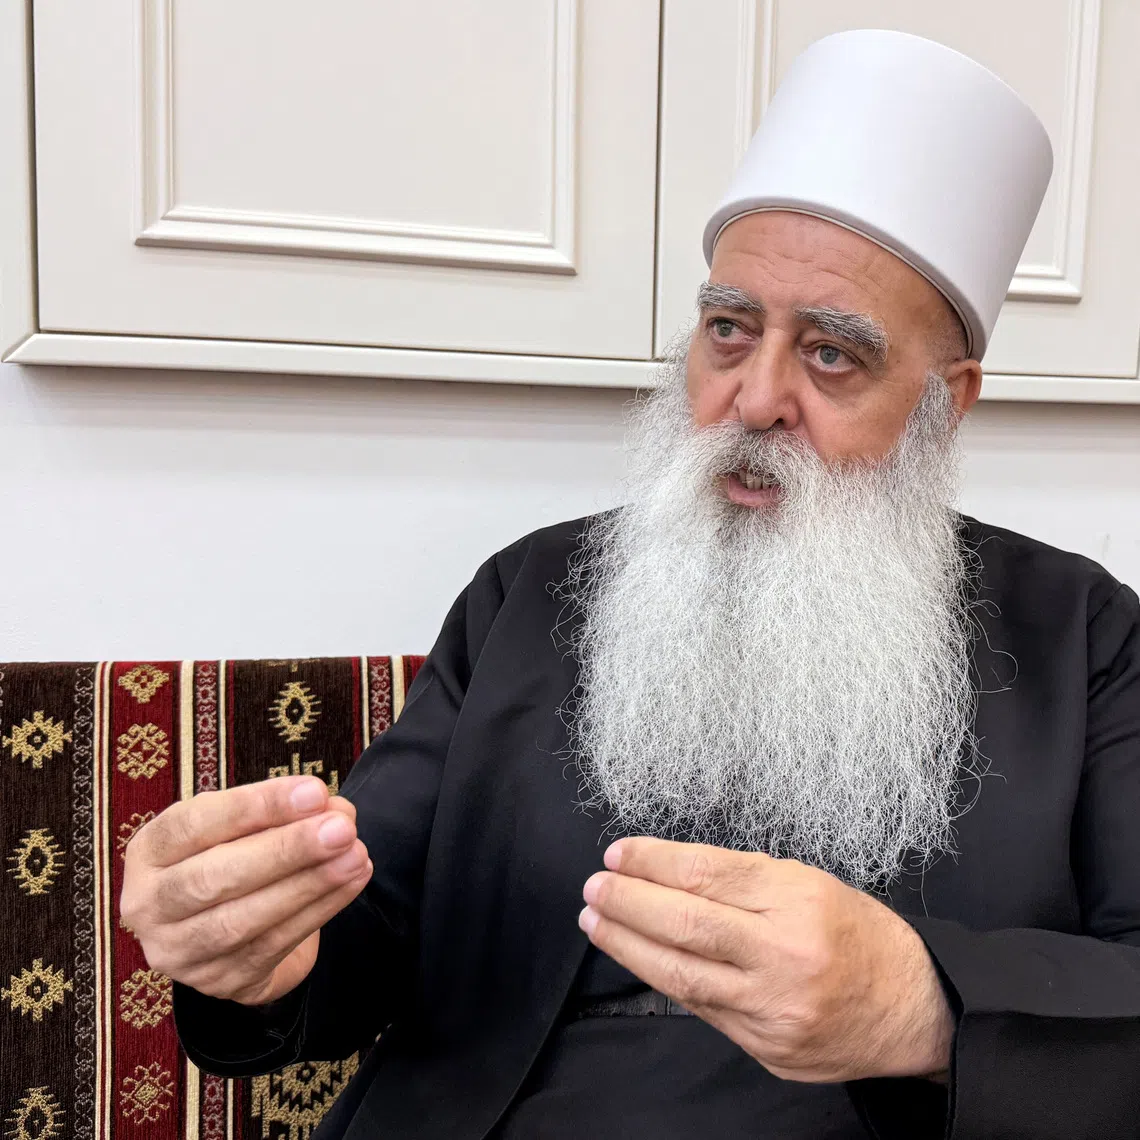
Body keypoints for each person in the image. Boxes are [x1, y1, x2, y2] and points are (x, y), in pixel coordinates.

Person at [120, 29, 1140, 1139]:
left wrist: (923, 1010)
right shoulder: (531, 590)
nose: (754, 400)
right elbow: (361, 935)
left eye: (832, 355)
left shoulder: (1083, 639)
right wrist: (249, 940)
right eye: (729, 331)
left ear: (949, 401)